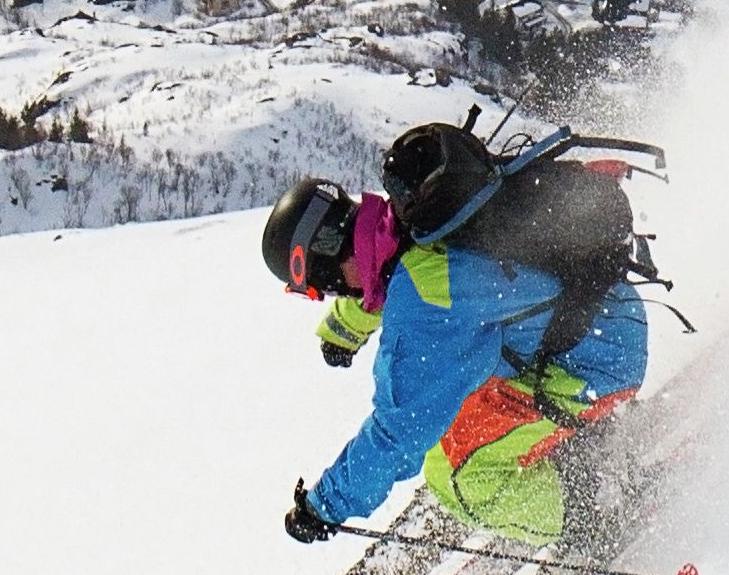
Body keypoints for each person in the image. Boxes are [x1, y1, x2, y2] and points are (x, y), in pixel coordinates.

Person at [268, 120, 649, 552]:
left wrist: (323, 506)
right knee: (455, 415)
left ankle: (593, 516)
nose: (332, 295)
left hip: (596, 363)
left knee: (454, 473)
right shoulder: (413, 217)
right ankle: (562, 456)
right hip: (599, 314)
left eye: (323, 288)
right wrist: (343, 330)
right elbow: (392, 277)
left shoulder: (422, 301)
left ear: (322, 263)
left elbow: (399, 433)